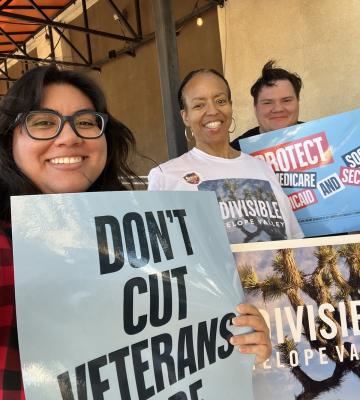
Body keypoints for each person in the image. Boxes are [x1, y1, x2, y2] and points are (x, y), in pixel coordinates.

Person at [0, 66, 270, 399]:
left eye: (85, 121)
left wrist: (239, 337)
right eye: (42, 122)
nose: (69, 137)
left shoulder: (135, 241)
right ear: (9, 138)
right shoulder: (5, 250)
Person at [148, 68, 304, 245]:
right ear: (185, 116)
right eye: (199, 105)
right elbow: (160, 253)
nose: (213, 111)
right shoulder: (165, 177)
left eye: (220, 101)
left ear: (230, 106)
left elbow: (294, 241)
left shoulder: (262, 168)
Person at [230, 60, 303, 150]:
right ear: (255, 107)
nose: (278, 109)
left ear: (298, 101)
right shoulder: (234, 152)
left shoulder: (321, 137)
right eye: (268, 102)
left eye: (286, 100)